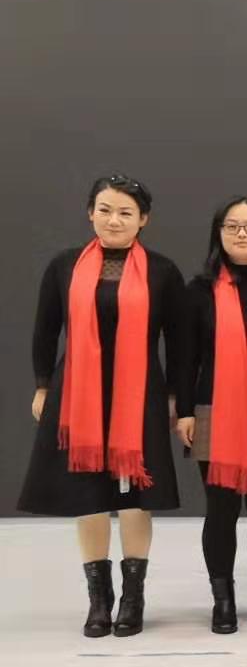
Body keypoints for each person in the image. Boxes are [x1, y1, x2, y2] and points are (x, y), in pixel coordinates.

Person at [20, 174, 186, 638]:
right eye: (106, 210)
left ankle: (133, 598)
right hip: (78, 395)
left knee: (134, 498)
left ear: (143, 219)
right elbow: (45, 329)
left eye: (126, 212)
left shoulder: (162, 271)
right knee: (88, 495)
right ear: (90, 212)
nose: (114, 220)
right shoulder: (64, 266)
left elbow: (179, 342)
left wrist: (175, 397)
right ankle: (99, 599)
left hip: (140, 397)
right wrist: (41, 386)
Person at [174, 197, 247, 634]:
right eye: (232, 226)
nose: (242, 234)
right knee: (220, 509)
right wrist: (185, 411)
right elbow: (184, 359)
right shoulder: (197, 291)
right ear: (218, 233)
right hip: (212, 412)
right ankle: (222, 599)